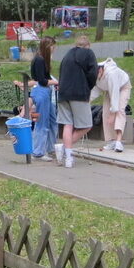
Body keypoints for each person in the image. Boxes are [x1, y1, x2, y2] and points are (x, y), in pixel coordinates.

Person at [55, 35, 99, 168]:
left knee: (68, 125)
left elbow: (61, 72)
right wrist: (88, 87)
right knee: (86, 125)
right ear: (88, 45)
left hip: (63, 94)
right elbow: (93, 74)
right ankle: (63, 147)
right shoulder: (89, 54)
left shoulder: (67, 54)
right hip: (79, 93)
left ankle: (68, 157)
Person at [92, 58, 132, 153]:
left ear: (101, 70)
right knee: (105, 113)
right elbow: (96, 90)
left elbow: (115, 94)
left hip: (123, 87)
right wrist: (85, 101)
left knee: (119, 111)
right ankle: (112, 141)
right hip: (109, 90)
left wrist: (113, 113)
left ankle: (118, 141)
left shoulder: (111, 74)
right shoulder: (96, 75)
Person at [28, 79, 57, 161]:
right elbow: (40, 80)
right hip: (42, 93)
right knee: (41, 123)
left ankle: (51, 149)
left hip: (48, 95)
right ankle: (37, 152)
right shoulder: (41, 69)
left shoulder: (47, 73)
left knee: (53, 122)